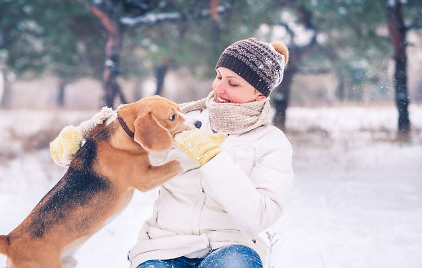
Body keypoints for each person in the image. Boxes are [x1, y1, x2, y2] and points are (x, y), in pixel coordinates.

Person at [50, 37, 293, 268]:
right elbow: (125, 145)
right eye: (219, 76)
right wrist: (79, 140)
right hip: (165, 247)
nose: (219, 88)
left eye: (233, 83)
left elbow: (257, 217)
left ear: (260, 94)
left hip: (232, 248)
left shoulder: (271, 142)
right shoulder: (185, 121)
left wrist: (212, 158)